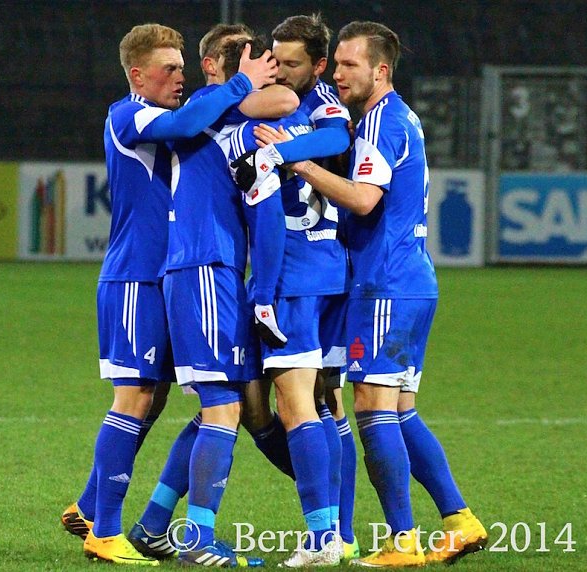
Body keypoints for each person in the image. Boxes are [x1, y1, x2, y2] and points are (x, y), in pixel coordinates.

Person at [232, 21, 487, 567]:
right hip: (411, 281)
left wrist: (293, 160)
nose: (343, 74)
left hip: (385, 286)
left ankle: (402, 540)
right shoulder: (400, 118)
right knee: (401, 413)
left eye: (351, 65)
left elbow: (365, 200)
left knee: (370, 410)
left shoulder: (377, 124)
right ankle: (459, 520)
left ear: (381, 70)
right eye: (340, 63)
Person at [63, 23, 279, 567]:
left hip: (168, 276)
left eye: (183, 66)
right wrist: (237, 87)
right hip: (135, 275)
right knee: (134, 399)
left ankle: (90, 506)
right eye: (168, 67)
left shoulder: (181, 120)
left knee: (155, 400)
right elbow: (188, 120)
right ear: (137, 75)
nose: (178, 76)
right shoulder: (128, 114)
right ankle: (105, 531)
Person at [227, 14, 356, 566]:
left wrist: (284, 148)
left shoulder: (308, 105)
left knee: (292, 400)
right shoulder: (289, 101)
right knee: (327, 404)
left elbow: (335, 135)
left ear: (319, 65)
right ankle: (339, 531)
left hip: (298, 275)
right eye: (274, 59)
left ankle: (324, 534)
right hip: (327, 273)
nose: (279, 69)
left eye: (293, 63)